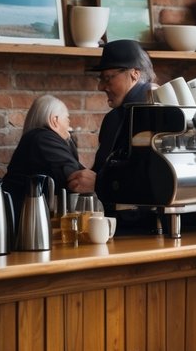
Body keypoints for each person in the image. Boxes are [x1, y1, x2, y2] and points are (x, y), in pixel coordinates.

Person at [67, 40, 156, 223]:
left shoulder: (155, 113)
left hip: (146, 229)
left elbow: (156, 181)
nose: (101, 86)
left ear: (134, 74)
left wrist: (99, 183)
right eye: (101, 79)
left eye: (108, 78)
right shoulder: (115, 117)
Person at [1, 95, 85, 209]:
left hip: (24, 214)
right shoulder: (43, 139)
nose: (69, 124)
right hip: (28, 218)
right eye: (67, 118)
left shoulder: (35, 138)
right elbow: (75, 178)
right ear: (54, 120)